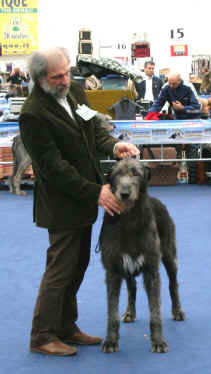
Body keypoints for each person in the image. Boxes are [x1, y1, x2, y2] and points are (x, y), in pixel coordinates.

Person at [19, 47, 140, 356]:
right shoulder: (32, 113)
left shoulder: (74, 90)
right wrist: (96, 191)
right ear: (39, 78)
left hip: (85, 197)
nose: (64, 79)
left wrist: (115, 147)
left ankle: (66, 326)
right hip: (61, 204)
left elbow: (93, 132)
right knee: (60, 269)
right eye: (56, 76)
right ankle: (42, 335)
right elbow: (53, 168)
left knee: (78, 266)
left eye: (66, 71)